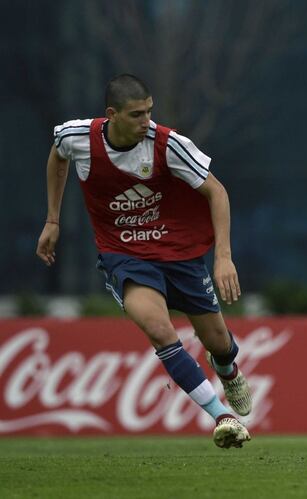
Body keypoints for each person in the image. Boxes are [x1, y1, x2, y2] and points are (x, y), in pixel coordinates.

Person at [36, 74, 253, 449]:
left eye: (149, 112)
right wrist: (52, 219)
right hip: (126, 257)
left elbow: (216, 191)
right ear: (112, 115)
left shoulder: (168, 144)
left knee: (217, 341)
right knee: (159, 329)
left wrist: (223, 257)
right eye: (137, 114)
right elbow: (58, 155)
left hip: (181, 254)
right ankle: (222, 416)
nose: (146, 121)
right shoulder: (76, 137)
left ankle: (227, 368)